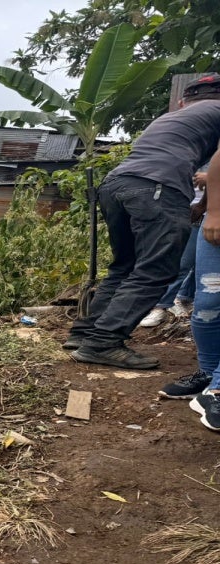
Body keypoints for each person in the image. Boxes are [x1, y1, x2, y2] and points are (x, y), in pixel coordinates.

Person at [66, 75, 220, 369]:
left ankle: (84, 334)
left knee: (124, 266)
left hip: (116, 185)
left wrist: (201, 204)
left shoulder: (173, 118)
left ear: (183, 101)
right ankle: (103, 343)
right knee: (155, 270)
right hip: (157, 187)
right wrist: (214, 212)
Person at [138, 179, 203, 327]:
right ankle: (161, 306)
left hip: (210, 210)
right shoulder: (195, 157)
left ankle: (184, 297)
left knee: (202, 264)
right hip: (194, 210)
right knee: (183, 263)